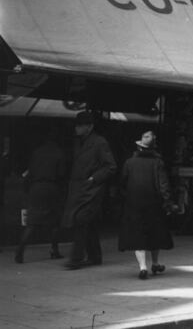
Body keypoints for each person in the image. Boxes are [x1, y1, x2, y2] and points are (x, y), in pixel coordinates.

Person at [62, 111, 117, 270]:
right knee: (87, 222)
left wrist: (93, 178)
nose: (76, 128)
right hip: (80, 189)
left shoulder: (100, 142)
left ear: (89, 127)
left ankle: (76, 258)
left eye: (80, 126)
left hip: (92, 190)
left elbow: (111, 166)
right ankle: (95, 257)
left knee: (81, 220)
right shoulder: (79, 142)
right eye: (76, 125)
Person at [118, 131, 173, 280]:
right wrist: (167, 203)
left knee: (138, 235)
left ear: (140, 148)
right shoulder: (158, 163)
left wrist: (127, 198)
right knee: (154, 234)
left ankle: (142, 266)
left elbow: (122, 184)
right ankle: (155, 263)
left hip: (134, 204)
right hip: (154, 204)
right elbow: (164, 185)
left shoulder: (129, 163)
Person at [15, 128, 67, 263]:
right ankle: (54, 250)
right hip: (51, 188)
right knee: (55, 221)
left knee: (31, 222)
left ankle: (20, 251)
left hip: (36, 188)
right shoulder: (59, 153)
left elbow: (30, 171)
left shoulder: (36, 152)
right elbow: (61, 174)